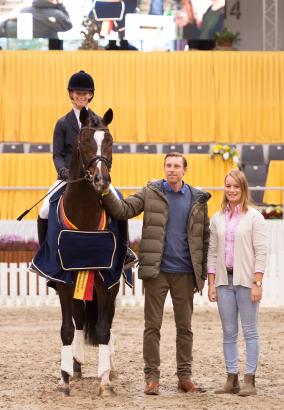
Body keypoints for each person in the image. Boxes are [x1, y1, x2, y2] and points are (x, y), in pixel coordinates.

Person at [100, 152, 211, 395]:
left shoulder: (197, 198)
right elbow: (125, 209)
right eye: (168, 165)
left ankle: (185, 377)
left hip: (185, 273)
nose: (172, 169)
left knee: (185, 328)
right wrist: (107, 191)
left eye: (176, 166)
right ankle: (152, 378)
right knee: (152, 327)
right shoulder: (150, 191)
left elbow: (204, 237)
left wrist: (200, 274)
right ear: (164, 168)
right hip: (156, 271)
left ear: (185, 170)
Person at [37, 70, 137, 269]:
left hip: (96, 176)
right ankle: (45, 252)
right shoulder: (63, 123)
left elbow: (106, 150)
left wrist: (105, 171)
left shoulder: (100, 121)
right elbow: (57, 154)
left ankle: (125, 250)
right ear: (71, 94)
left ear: (91, 95)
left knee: (118, 201)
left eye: (85, 93)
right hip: (68, 177)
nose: (81, 96)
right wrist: (63, 171)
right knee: (45, 209)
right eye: (77, 92)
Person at [207, 169, 267, 396]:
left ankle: (249, 380)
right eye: (228, 186)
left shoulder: (254, 217)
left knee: (250, 331)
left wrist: (257, 282)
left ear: (243, 189)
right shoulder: (217, 218)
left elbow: (261, 251)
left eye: (236, 187)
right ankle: (231, 378)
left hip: (246, 281)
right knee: (229, 331)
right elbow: (212, 252)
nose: (232, 190)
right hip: (224, 282)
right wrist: (212, 283)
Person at [0, 0, 72, 39]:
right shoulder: (57, 14)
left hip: (23, 49)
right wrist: (60, 5)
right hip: (48, 51)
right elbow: (68, 25)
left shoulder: (24, 10)